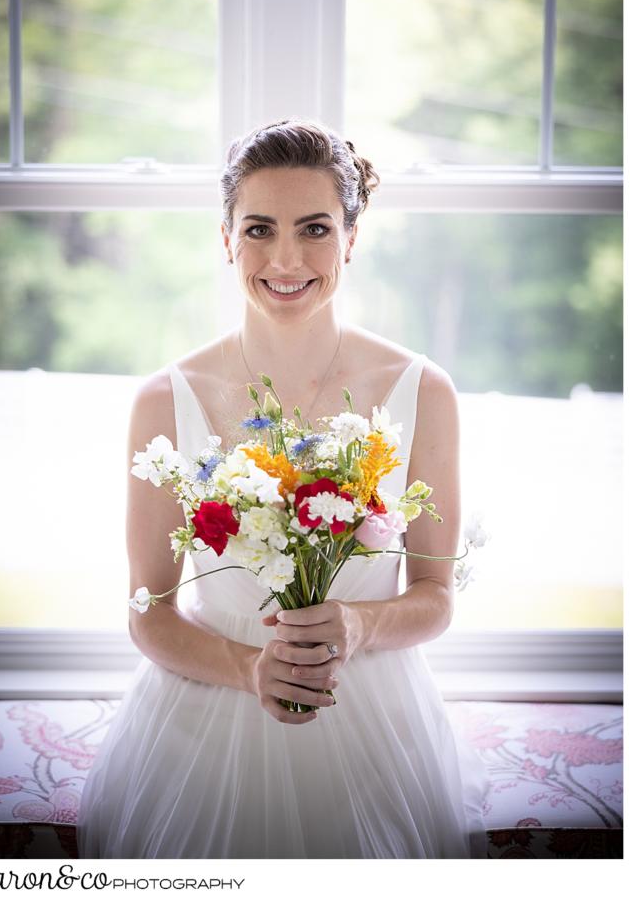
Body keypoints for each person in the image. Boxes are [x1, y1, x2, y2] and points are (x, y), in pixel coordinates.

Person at [77, 119, 489, 859]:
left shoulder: (422, 391)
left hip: (371, 719)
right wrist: (249, 670)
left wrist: (357, 626)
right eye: (259, 229)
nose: (286, 258)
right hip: (201, 721)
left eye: (315, 229)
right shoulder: (162, 401)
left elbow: (434, 594)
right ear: (225, 238)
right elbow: (150, 613)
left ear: (352, 239)